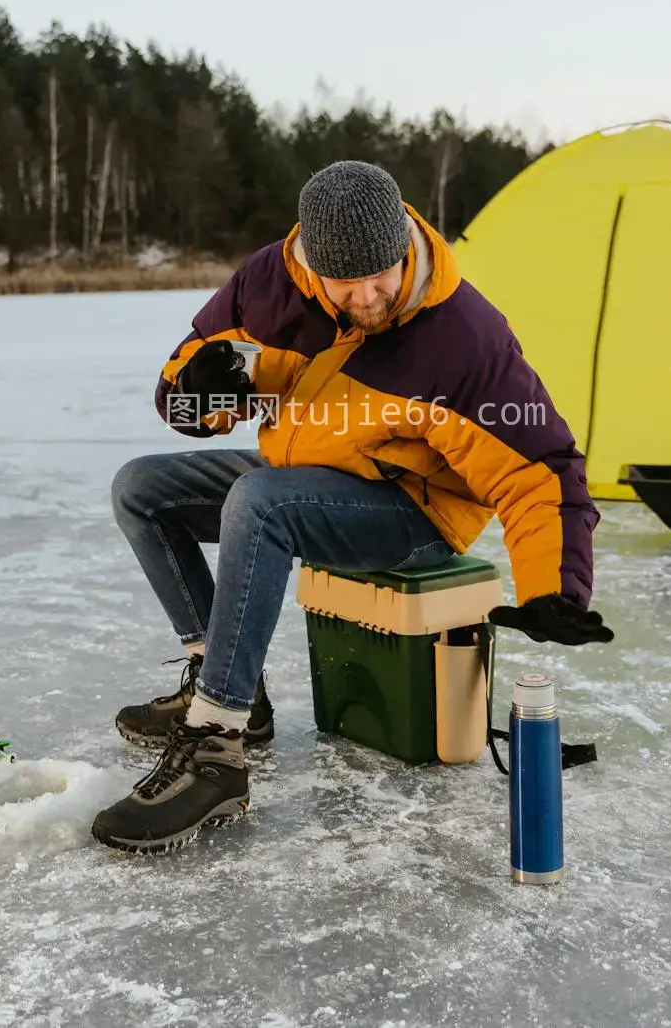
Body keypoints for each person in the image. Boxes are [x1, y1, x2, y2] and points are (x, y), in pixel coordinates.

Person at [90, 160, 612, 854]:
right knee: (139, 489)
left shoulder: (464, 336)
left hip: (412, 512)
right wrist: (206, 389)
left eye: (384, 273)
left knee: (259, 502)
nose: (371, 295)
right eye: (349, 281)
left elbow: (541, 464)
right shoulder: (265, 283)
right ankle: (219, 679)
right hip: (304, 474)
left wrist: (555, 587)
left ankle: (217, 749)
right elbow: (177, 396)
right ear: (310, 261)